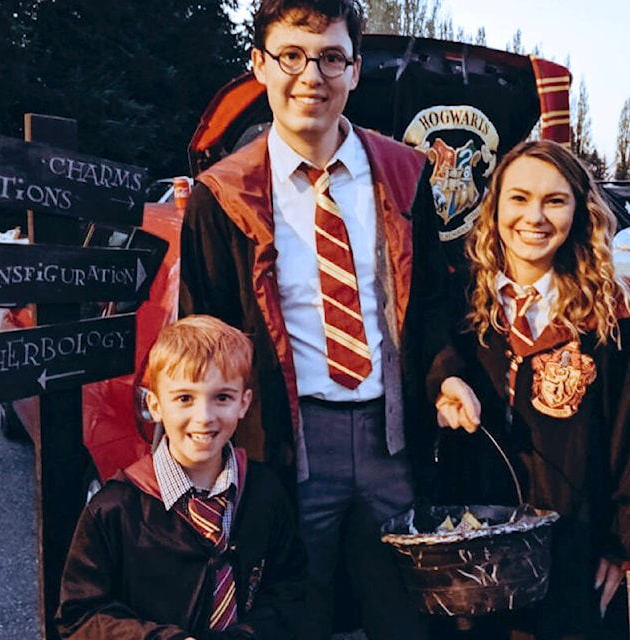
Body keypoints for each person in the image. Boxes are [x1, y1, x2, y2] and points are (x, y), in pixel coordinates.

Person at [178, 2, 459, 638]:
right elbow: (206, 336)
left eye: (331, 56)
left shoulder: (406, 176)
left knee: (408, 611)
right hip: (289, 442)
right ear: (260, 66)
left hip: (394, 437)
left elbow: (433, 306)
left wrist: (446, 375)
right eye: (292, 56)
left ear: (355, 70)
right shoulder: (224, 196)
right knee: (294, 612)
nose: (312, 75)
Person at [432, 140, 630, 639]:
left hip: (573, 538)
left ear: (579, 211)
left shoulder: (610, 315)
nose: (534, 217)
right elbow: (427, 357)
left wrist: (620, 544)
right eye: (518, 198)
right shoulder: (461, 300)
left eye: (554, 201)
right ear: (494, 207)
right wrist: (443, 379)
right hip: (475, 542)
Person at [56, 315, 306, 640]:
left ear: (244, 403)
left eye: (222, 397)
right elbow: (80, 617)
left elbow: (289, 588)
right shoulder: (115, 508)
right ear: (156, 405)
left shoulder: (264, 492)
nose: (203, 418)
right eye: (184, 398)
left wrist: (250, 633)